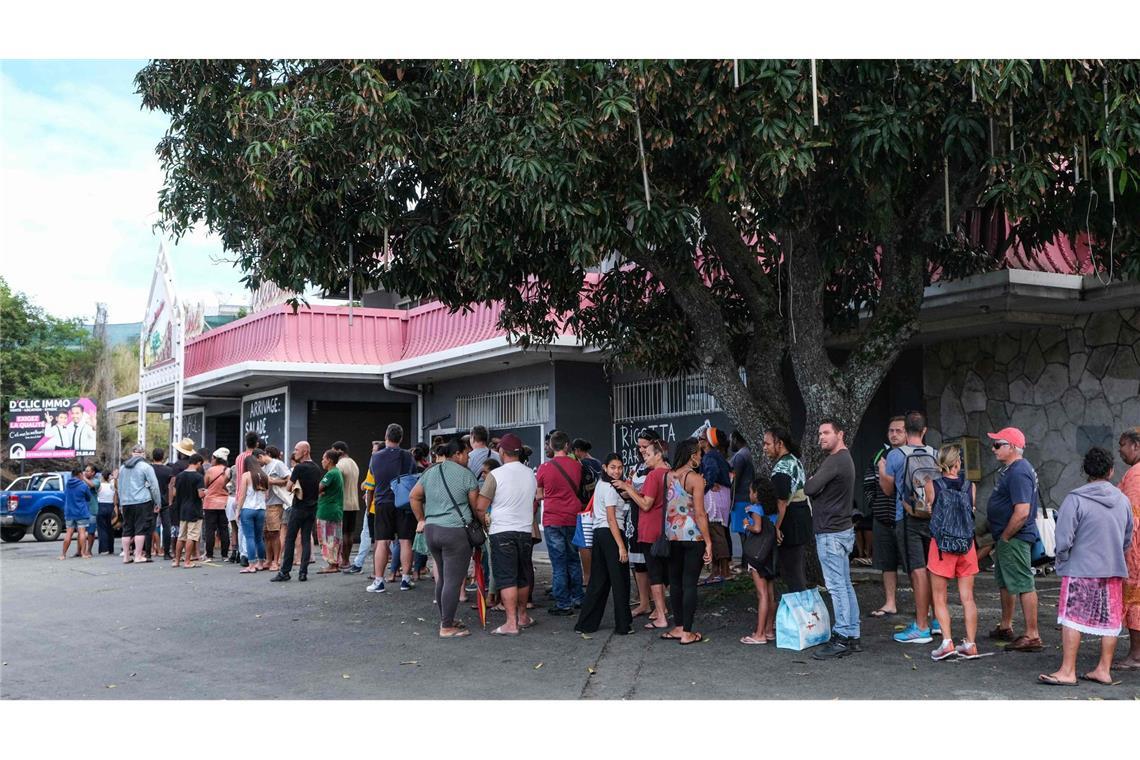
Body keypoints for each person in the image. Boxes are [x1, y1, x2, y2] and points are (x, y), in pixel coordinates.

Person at [1039, 447, 1134, 686]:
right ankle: (1104, 669)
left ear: (1085, 471)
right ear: (1111, 471)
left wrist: (1062, 560)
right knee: (1110, 621)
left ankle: (1068, 670)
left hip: (1080, 568)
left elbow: (1063, 539)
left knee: (1072, 618)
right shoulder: (1123, 501)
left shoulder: (1076, 499)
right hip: (1112, 569)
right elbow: (1127, 538)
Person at [410, 438, 483, 638]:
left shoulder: (430, 471)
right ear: (457, 454)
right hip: (455, 532)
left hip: (432, 531)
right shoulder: (466, 476)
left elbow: (414, 496)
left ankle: (447, 619)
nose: (469, 458)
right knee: (453, 580)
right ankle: (446, 627)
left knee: (443, 577)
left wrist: (422, 519)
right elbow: (476, 507)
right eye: (467, 454)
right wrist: (482, 524)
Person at [880, 411, 939, 644]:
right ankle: (936, 620)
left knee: (917, 570)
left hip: (907, 517)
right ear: (924, 431)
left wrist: (882, 471)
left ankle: (921, 626)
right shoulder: (934, 453)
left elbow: (888, 490)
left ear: (906, 431)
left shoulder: (896, 455)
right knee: (933, 568)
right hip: (932, 518)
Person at [805, 419, 861, 659]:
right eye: (820, 434)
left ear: (840, 434)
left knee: (837, 587)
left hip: (830, 532)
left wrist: (814, 486)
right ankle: (852, 634)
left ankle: (842, 636)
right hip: (841, 530)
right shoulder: (844, 459)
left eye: (826, 433)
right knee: (845, 585)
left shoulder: (835, 460)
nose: (821, 437)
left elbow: (809, 487)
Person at [984, 426, 1043, 652]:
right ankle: (1006, 625)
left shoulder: (1018, 471)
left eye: (998, 444)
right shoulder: (1013, 469)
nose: (993, 448)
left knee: (1022, 583)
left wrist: (1006, 537)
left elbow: (1022, 512)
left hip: (1014, 536)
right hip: (1008, 536)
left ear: (1012, 447)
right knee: (1007, 581)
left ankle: (1032, 634)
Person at [924, 445, 982, 661]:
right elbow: (971, 509)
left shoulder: (933, 485)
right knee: (967, 598)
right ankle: (971, 644)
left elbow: (930, 508)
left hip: (941, 547)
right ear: (958, 463)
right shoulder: (970, 487)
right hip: (966, 547)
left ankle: (947, 642)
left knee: (940, 597)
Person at [479, 433, 539, 636]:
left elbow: (481, 506)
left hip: (502, 532)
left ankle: (511, 623)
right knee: (522, 576)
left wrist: (484, 520)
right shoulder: (531, 474)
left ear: (502, 452)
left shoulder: (496, 475)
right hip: (524, 532)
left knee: (507, 578)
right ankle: (523, 616)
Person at [657, 438, 713, 645]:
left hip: (671, 536)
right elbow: (699, 513)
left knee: (676, 582)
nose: (701, 455)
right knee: (690, 583)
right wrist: (708, 541)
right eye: (699, 453)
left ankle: (678, 626)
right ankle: (687, 632)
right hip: (692, 536)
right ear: (692, 456)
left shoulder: (667, 476)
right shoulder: (695, 479)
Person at [616, 435, 671, 631]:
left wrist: (628, 489)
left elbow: (646, 504)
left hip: (650, 528)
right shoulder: (671, 473)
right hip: (668, 529)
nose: (644, 457)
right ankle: (662, 611)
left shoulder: (654, 475)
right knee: (666, 572)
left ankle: (661, 615)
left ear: (658, 455)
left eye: (648, 453)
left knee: (655, 574)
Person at [575, 453, 633, 635]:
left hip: (600, 534)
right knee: (620, 582)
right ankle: (623, 626)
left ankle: (585, 624)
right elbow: (611, 518)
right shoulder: (608, 488)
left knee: (598, 581)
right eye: (613, 467)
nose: (617, 471)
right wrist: (621, 546)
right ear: (605, 468)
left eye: (620, 467)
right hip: (611, 534)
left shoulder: (602, 485)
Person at [535, 430, 586, 615]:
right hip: (572, 516)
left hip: (552, 518)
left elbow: (539, 495)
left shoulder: (543, 468)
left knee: (558, 562)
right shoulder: (577, 466)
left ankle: (563, 603)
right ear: (567, 446)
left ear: (551, 447)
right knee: (573, 558)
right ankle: (578, 597)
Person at [365, 424, 417, 593]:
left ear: (386, 436)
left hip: (382, 501)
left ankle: (379, 581)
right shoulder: (408, 456)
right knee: (405, 541)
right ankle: (405, 579)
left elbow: (373, 475)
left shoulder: (376, 457)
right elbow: (413, 475)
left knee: (382, 541)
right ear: (401, 438)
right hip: (403, 502)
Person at [764, 426, 812, 592]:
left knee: (792, 573)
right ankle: (802, 613)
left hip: (790, 522)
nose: (765, 448)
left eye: (767, 444)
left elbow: (782, 502)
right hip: (801, 516)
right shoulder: (793, 459)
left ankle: (801, 615)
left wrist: (776, 527)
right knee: (796, 570)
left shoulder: (782, 468)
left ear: (780, 444)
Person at [866, 416, 905, 617]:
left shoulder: (911, 454)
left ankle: (925, 607)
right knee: (887, 563)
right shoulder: (880, 455)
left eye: (899, 430)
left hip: (907, 520)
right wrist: (875, 504)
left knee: (915, 565)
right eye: (891, 430)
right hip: (882, 517)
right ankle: (890, 602)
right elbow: (868, 483)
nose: (894, 434)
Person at [272, 441, 322, 582]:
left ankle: (285, 572)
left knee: (290, 539)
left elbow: (288, 488)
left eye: (296, 449)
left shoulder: (299, 468)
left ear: (305, 451)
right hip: (312, 508)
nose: (295, 452)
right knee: (306, 539)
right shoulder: (317, 468)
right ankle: (303, 573)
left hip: (299, 507)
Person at [740, 477, 778, 644]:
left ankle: (760, 634)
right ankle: (769, 630)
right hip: (770, 554)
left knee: (761, 595)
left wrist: (746, 524)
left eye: (750, 491)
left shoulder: (756, 508)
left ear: (756, 493)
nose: (749, 494)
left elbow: (757, 528)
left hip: (757, 555)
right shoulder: (772, 509)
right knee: (770, 595)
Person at [1117, 427, 1140, 671]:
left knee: (1134, 600)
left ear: (1136, 446)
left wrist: (1125, 547)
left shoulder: (1135, 474)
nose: (1120, 450)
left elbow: (1133, 517)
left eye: (1123, 444)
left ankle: (1136, 655)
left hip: (1136, 549)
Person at [698, 427, 733, 584]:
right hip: (722, 496)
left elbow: (711, 472)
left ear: (708, 443)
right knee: (719, 532)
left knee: (715, 532)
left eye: (701, 439)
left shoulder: (709, 457)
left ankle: (721, 571)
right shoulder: (717, 456)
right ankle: (720, 570)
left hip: (714, 499)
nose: (699, 442)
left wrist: (705, 486)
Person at [117, 444, 162, 564]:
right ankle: (138, 555)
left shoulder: (122, 468)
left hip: (126, 502)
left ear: (132, 453)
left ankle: (126, 556)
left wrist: (121, 503)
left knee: (127, 529)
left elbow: (119, 487)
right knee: (140, 529)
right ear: (143, 454)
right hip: (142, 501)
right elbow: (154, 486)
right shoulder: (146, 467)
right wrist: (157, 502)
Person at [344, 440, 381, 576]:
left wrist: (368, 498)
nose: (372, 452)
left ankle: (367, 567)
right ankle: (361, 563)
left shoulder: (376, 465)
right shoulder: (377, 464)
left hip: (374, 507)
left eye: (374, 450)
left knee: (375, 537)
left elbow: (371, 488)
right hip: (376, 505)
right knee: (371, 536)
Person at [236, 449, 270, 573]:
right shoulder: (264, 475)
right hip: (261, 509)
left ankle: (251, 565)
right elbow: (266, 495)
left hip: (248, 509)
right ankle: (261, 563)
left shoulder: (246, 475)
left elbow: (242, 495)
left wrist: (238, 511)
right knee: (258, 538)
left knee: (249, 537)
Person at [328, 441, 360, 568]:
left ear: (339, 451)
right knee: (349, 533)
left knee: (340, 534)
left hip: (342, 504)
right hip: (354, 503)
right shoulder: (354, 463)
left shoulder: (339, 465)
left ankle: (342, 559)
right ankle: (347, 560)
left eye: (333, 450)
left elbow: (335, 485)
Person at [172, 453, 207, 568]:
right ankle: (187, 561)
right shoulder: (198, 477)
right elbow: (200, 494)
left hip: (182, 508)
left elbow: (174, 493)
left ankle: (176, 561)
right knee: (192, 536)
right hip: (195, 509)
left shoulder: (180, 476)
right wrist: (206, 492)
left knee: (181, 536)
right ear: (199, 463)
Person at [231, 432, 259, 565]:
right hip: (252, 496)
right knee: (254, 530)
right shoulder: (256, 458)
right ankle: (251, 555)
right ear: (257, 443)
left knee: (242, 527)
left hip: (238, 495)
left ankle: (243, 554)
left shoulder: (239, 458)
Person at [728, 430, 754, 574]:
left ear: (736, 439)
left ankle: (746, 565)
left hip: (741, 500)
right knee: (746, 532)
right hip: (747, 498)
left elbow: (734, 480)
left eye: (731, 439)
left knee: (744, 533)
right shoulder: (749, 453)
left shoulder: (740, 456)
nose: (730, 442)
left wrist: (730, 498)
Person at [316, 448, 345, 573]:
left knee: (329, 539)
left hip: (328, 510)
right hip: (335, 510)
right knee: (334, 538)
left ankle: (332, 564)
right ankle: (334, 563)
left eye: (323, 459)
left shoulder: (331, 474)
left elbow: (319, 488)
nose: (322, 461)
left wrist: (319, 492)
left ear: (329, 460)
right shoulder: (337, 472)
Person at [263, 445, 291, 571]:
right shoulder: (262, 467)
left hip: (276, 503)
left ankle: (276, 561)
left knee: (274, 532)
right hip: (264, 504)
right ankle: (268, 560)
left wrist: (272, 481)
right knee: (267, 533)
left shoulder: (278, 464)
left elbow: (289, 479)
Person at [201, 449, 231, 561]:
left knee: (210, 529)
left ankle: (209, 554)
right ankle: (225, 555)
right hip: (224, 503)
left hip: (210, 503)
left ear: (216, 459)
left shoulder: (210, 470)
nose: (211, 460)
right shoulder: (228, 471)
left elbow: (205, 485)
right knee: (223, 529)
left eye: (213, 458)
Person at [60, 468, 92, 560]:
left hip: (69, 512)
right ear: (79, 474)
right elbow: (88, 497)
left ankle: (63, 554)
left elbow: (65, 495)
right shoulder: (83, 486)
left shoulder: (67, 484)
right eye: (82, 474)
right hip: (81, 512)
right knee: (82, 532)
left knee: (68, 533)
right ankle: (83, 553)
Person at [150, 448, 175, 560]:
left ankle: (147, 552)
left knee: (150, 526)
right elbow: (171, 487)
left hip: (151, 500)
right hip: (164, 500)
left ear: (152, 456)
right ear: (163, 457)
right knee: (167, 527)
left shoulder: (149, 469)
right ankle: (166, 553)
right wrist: (170, 501)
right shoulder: (169, 470)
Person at [96, 468, 116, 555]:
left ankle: (104, 549)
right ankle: (111, 548)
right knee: (110, 528)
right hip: (111, 506)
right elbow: (115, 497)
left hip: (101, 506)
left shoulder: (99, 485)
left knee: (102, 529)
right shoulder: (112, 486)